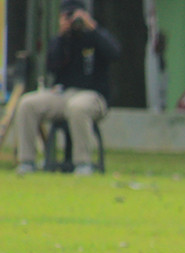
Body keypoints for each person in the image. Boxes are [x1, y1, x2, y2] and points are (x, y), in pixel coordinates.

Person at [15, 0, 121, 175]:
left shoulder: (95, 36)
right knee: (27, 104)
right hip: (63, 93)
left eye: (75, 16)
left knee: (77, 107)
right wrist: (61, 36)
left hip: (92, 95)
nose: (73, 21)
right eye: (67, 16)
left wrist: (92, 28)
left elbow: (114, 53)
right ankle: (27, 161)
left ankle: (83, 163)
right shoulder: (62, 40)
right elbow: (51, 66)